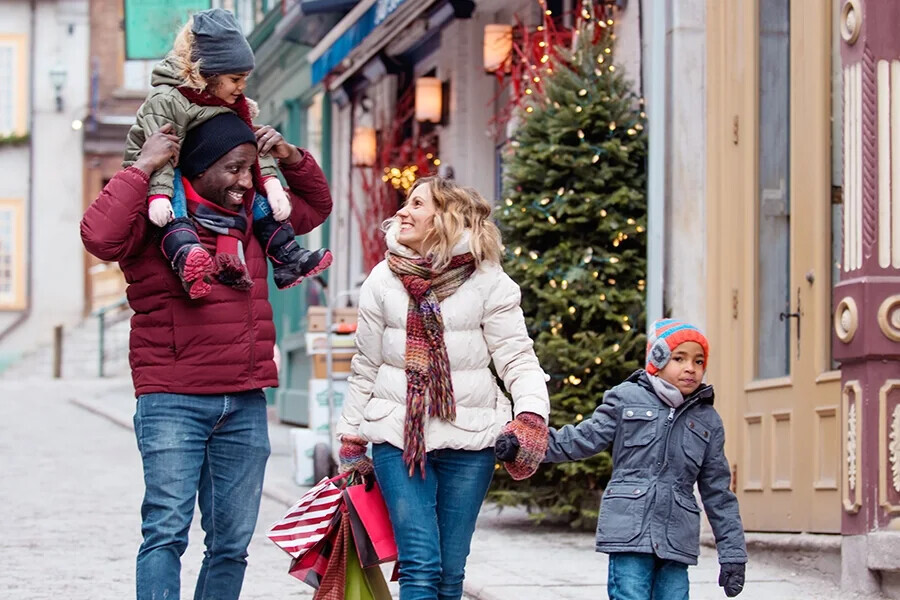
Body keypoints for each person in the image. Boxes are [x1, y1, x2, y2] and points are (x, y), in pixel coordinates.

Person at [81, 113, 332, 600]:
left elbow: (315, 206)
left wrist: (290, 157)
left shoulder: (256, 218)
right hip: (172, 399)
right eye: (235, 168)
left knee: (231, 544)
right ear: (198, 168)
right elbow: (99, 236)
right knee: (166, 534)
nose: (245, 180)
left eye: (251, 169)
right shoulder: (156, 221)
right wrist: (142, 167)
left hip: (243, 400)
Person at [335, 177, 551, 600]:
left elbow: (517, 357)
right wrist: (351, 436)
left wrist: (530, 415)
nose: (402, 212)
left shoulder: (490, 281)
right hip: (398, 437)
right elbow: (366, 365)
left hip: (470, 439)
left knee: (451, 571)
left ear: (446, 218)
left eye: (416, 204)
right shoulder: (383, 279)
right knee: (420, 564)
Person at [496, 318, 747, 600]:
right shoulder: (626, 398)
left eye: (699, 361)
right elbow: (582, 438)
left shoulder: (707, 420)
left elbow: (718, 492)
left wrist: (733, 554)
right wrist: (526, 445)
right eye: (680, 358)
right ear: (658, 358)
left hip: (677, 537)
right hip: (628, 530)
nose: (691, 368)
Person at [123, 7, 331, 299]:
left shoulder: (227, 103)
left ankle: (287, 256)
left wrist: (282, 166)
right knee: (172, 184)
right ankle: (183, 249)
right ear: (208, 73)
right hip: (166, 173)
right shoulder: (168, 100)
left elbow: (316, 204)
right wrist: (155, 190)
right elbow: (161, 157)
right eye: (236, 78)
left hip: (251, 342)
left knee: (257, 199)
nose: (242, 86)